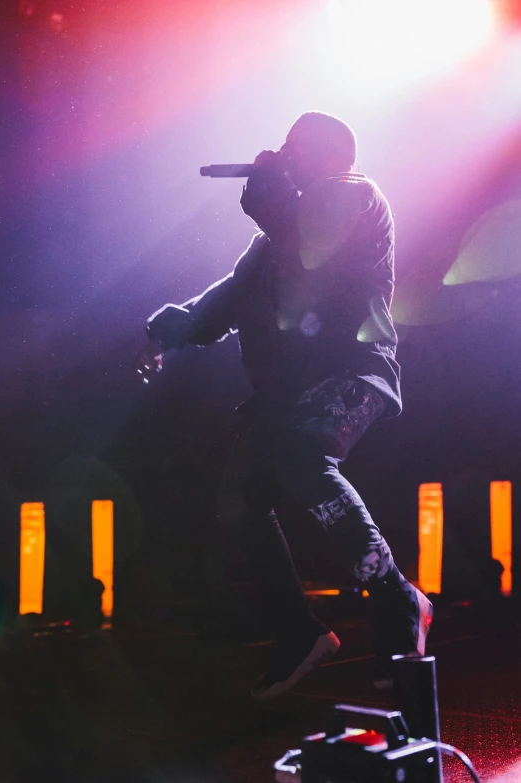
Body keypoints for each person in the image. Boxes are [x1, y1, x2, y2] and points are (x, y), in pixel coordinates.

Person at [134, 110, 433, 699]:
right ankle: (298, 632)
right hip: (289, 390)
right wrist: (170, 330)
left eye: (302, 146)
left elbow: (315, 252)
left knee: (301, 453)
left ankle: (399, 600)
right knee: (239, 498)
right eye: (287, 145)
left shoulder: (356, 195)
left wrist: (274, 203)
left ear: (336, 154)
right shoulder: (277, 232)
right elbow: (226, 297)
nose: (287, 154)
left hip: (353, 371)